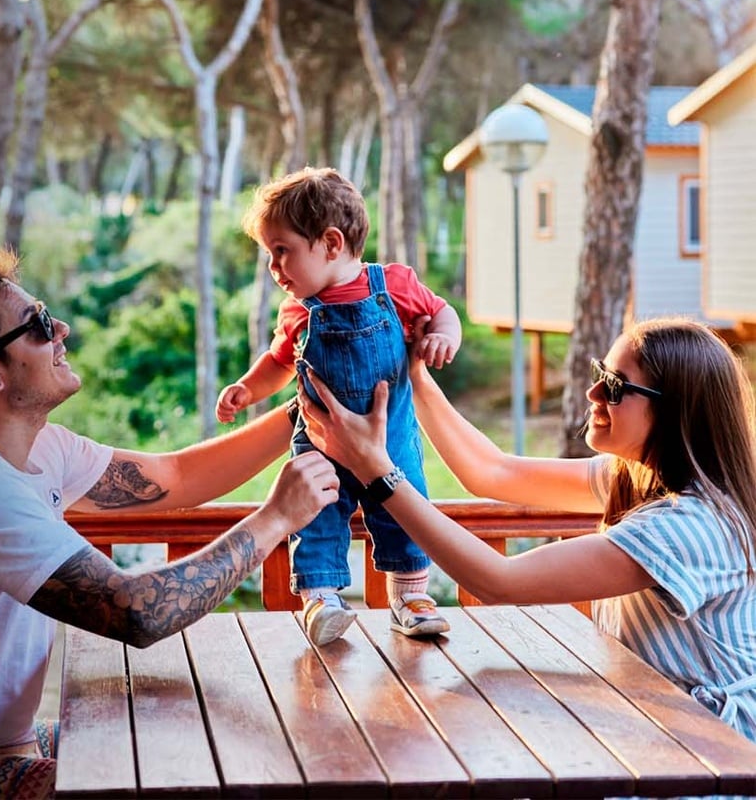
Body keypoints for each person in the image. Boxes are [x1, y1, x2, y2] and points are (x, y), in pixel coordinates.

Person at [0, 250, 341, 800]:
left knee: (166, 733)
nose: (63, 330)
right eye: (39, 326)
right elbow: (138, 612)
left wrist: (312, 403)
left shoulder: (35, 447)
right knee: (158, 779)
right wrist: (276, 520)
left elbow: (175, 476)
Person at [301, 317, 756, 742]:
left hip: (717, 754)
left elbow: (499, 581)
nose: (593, 393)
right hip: (661, 728)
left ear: (675, 413)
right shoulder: (636, 476)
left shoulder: (691, 525)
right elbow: (493, 473)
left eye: (615, 387)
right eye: (601, 372)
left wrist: (376, 472)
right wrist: (415, 378)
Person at [216, 167, 462, 644]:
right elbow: (278, 361)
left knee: (405, 512)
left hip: (388, 438)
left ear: (330, 243)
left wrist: (441, 336)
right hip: (318, 443)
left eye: (281, 251)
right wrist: (247, 389)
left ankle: (410, 598)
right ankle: (321, 600)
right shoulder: (298, 311)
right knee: (315, 516)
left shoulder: (393, 285)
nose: (274, 267)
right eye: (270, 254)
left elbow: (441, 310)